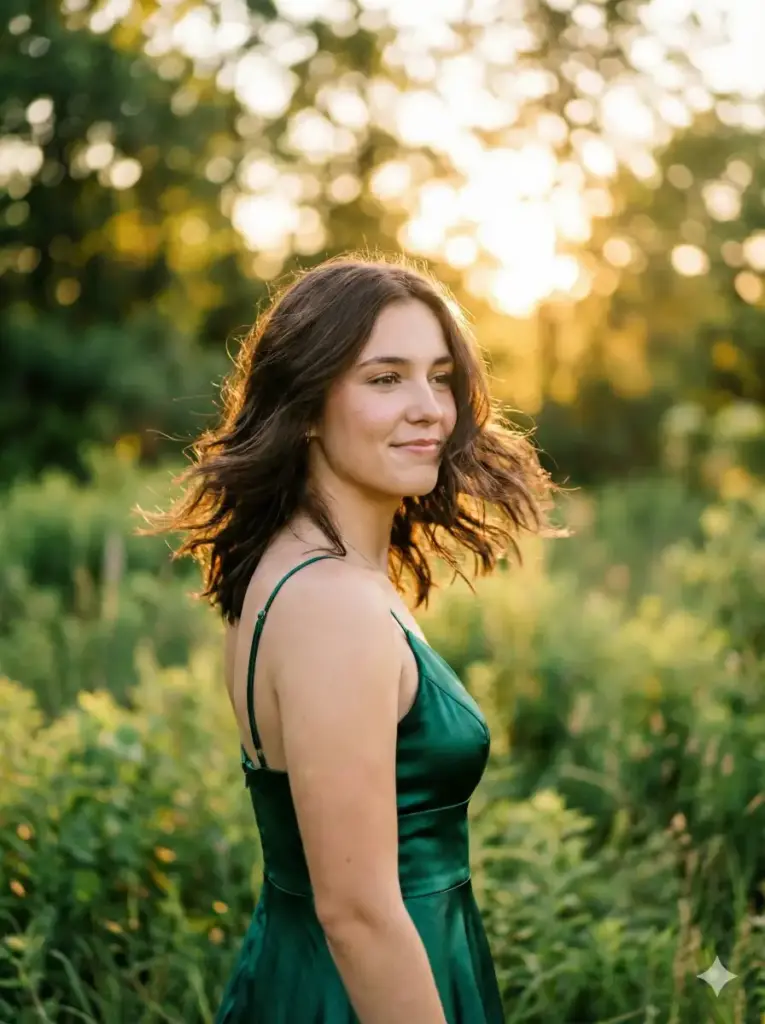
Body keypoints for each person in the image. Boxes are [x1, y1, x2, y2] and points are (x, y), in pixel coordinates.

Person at [145, 254, 558, 1023]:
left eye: (439, 376)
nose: (430, 408)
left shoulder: (294, 571)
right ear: (304, 406)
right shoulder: (333, 606)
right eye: (384, 378)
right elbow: (358, 915)